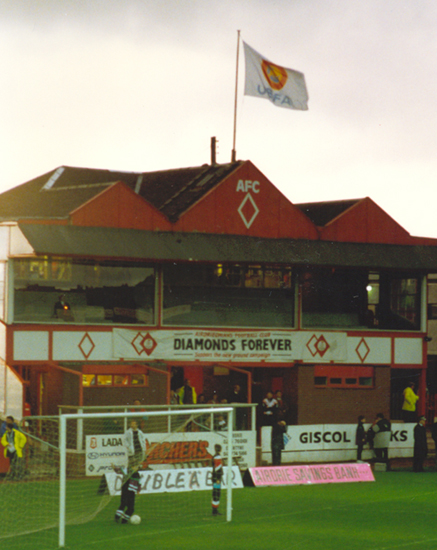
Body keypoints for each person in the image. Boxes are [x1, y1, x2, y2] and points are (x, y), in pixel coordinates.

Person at [211, 444, 223, 516]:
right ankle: (214, 510)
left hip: (215, 477)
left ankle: (215, 510)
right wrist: (218, 478)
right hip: (217, 478)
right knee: (216, 492)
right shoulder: (217, 457)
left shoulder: (214, 456)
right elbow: (218, 469)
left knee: (216, 492)